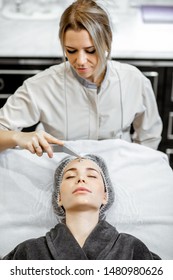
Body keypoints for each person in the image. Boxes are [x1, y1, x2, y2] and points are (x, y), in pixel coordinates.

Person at [0, 0, 162, 158]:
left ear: (107, 41)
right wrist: (17, 137)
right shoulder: (41, 86)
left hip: (117, 169)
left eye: (91, 50)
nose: (80, 61)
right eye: (71, 51)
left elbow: (149, 138)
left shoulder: (133, 80)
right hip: (63, 173)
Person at [2, 154, 161, 260]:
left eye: (91, 175)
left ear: (105, 195)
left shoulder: (132, 248)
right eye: (70, 176)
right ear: (59, 197)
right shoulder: (29, 251)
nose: (81, 179)